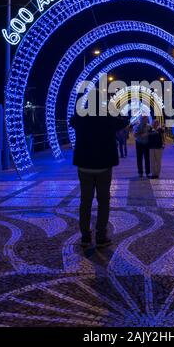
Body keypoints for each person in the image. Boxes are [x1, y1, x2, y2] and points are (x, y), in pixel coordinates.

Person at [69, 92, 129, 248]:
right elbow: (124, 121)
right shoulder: (108, 118)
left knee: (85, 201)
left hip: (84, 165)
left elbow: (72, 120)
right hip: (103, 166)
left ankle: (85, 237)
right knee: (103, 201)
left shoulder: (80, 118)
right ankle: (101, 236)